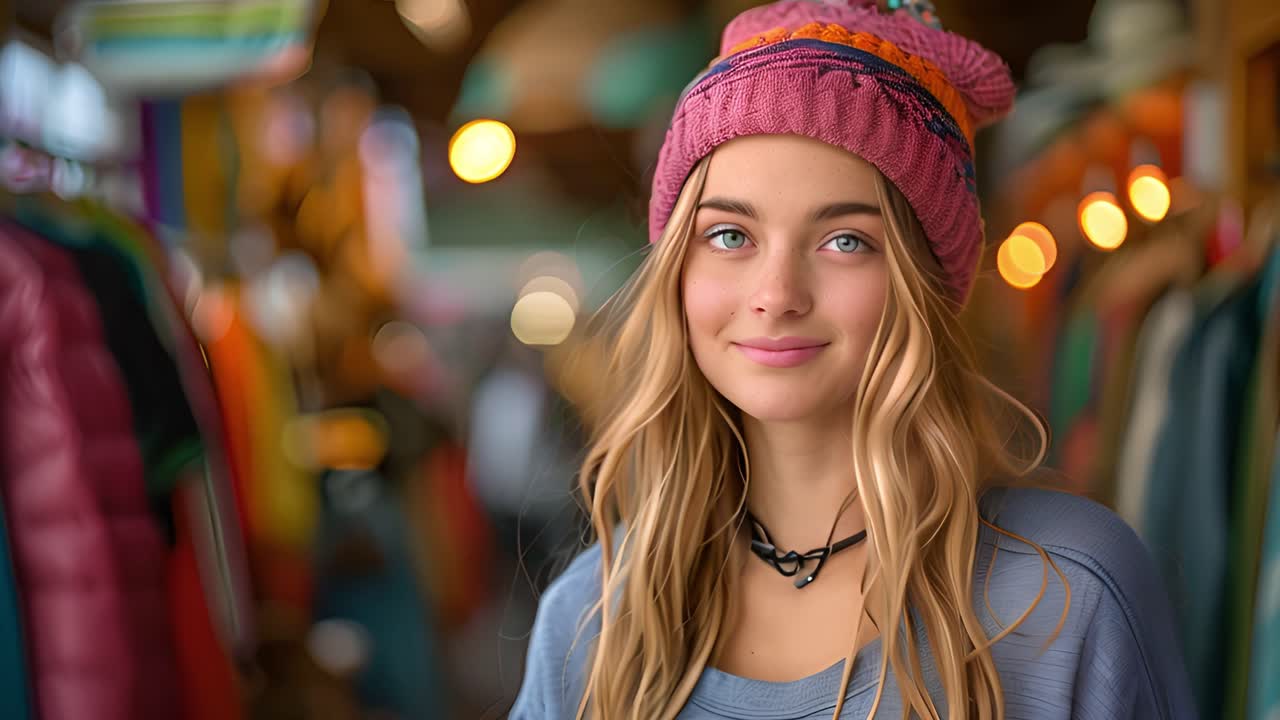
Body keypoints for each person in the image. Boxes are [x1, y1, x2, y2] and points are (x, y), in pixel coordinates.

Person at [510, 1, 1197, 718]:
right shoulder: (593, 620)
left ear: (924, 285)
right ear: (677, 269)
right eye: (729, 236)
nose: (776, 295)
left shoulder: (1069, 593)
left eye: (845, 240)